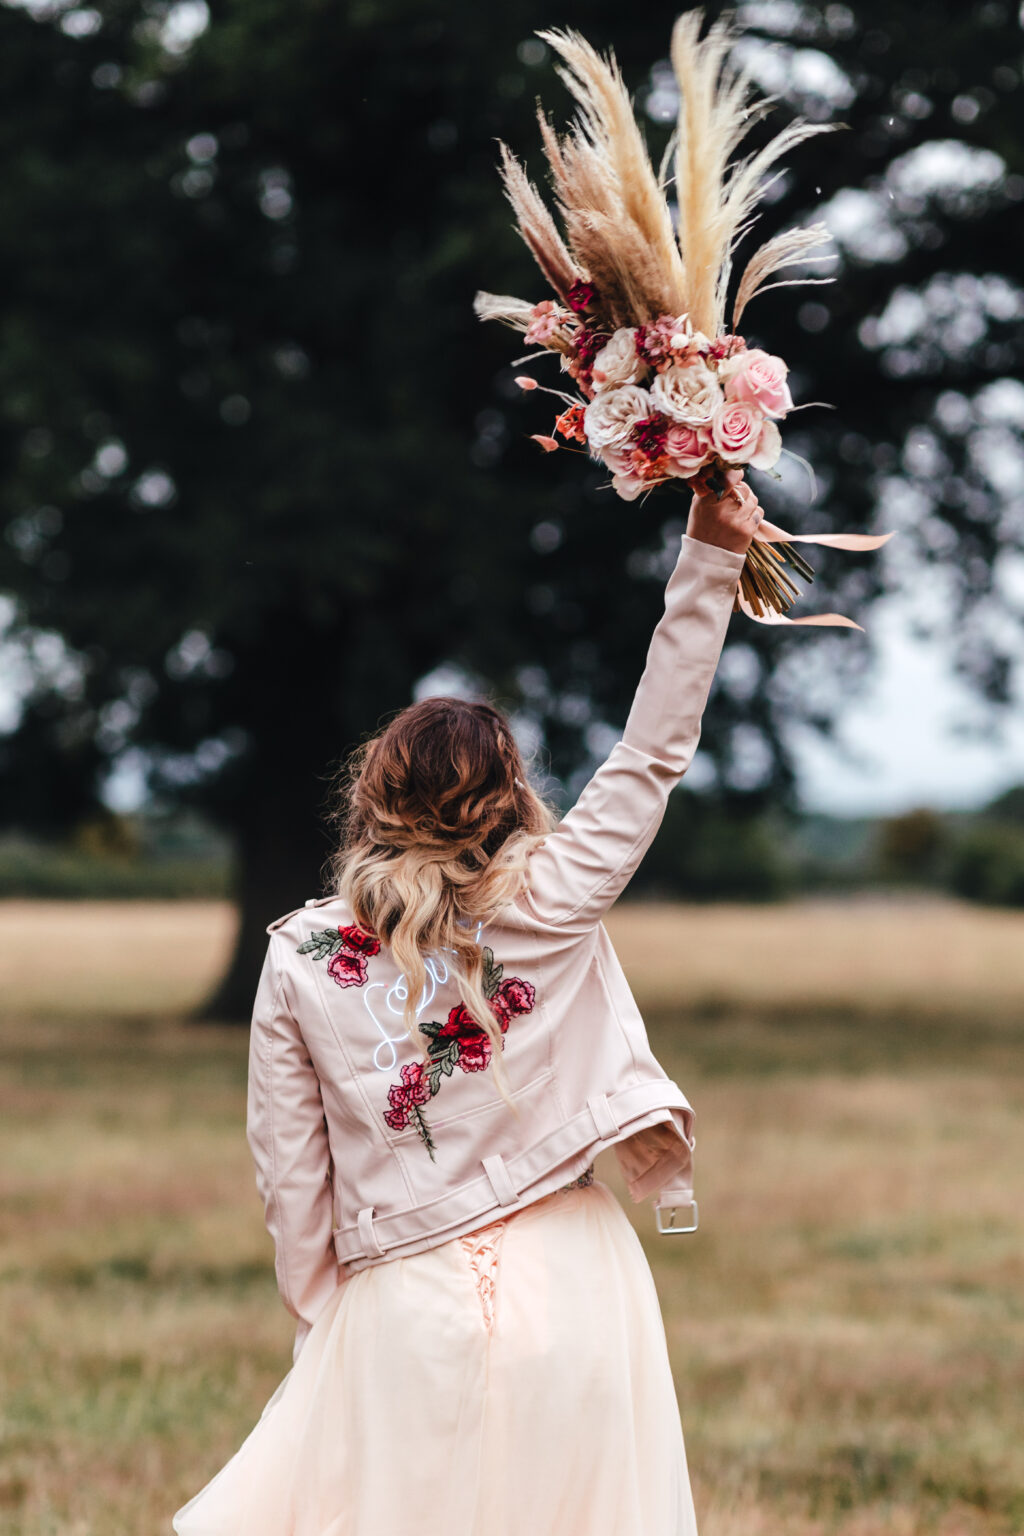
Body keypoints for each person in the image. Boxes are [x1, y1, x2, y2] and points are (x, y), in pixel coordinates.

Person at [172, 468, 762, 1536]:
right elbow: (651, 753)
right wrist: (708, 556)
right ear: (512, 792)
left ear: (369, 796)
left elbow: (289, 1171)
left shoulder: (300, 953)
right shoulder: (556, 899)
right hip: (576, 1282)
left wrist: (328, 1326)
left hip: (398, 1299)